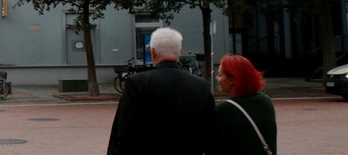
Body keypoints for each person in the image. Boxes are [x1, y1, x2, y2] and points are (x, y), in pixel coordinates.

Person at [107, 27, 215, 155]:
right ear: (179, 51)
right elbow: (211, 132)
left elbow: (124, 132)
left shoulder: (136, 83)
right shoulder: (201, 85)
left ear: (152, 52)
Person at [213, 54, 277, 154]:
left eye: (220, 75)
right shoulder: (266, 101)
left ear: (231, 80)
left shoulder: (225, 109)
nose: (217, 78)